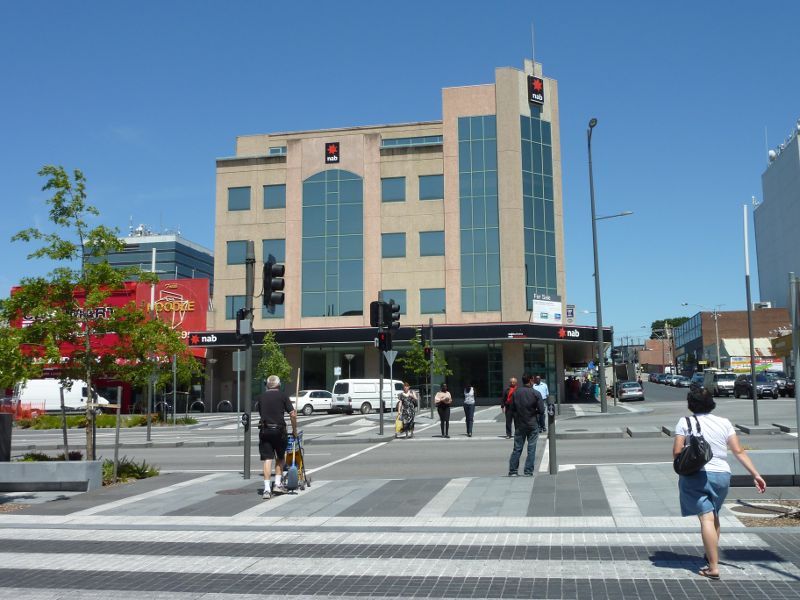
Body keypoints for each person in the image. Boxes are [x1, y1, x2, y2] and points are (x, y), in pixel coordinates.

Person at [673, 388, 766, 581]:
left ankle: (713, 567)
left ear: (691, 404)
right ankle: (711, 552)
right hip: (723, 475)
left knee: (706, 519)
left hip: (697, 475)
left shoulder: (686, 422)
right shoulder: (724, 423)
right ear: (711, 403)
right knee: (714, 515)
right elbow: (738, 451)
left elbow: (677, 451)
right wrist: (755, 474)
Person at [254, 375, 298, 500]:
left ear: (267, 385)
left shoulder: (261, 397)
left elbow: (262, 413)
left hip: (265, 430)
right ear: (279, 385)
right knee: (280, 457)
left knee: (267, 459)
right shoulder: (283, 396)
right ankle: (277, 484)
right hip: (279, 431)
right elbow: (293, 415)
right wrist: (294, 429)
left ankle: (267, 489)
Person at [507, 374, 545, 477]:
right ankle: (528, 471)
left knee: (517, 448)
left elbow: (511, 409)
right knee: (531, 448)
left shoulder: (516, 393)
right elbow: (542, 410)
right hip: (532, 423)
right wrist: (535, 411)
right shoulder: (536, 393)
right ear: (531, 380)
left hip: (520, 424)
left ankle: (513, 471)